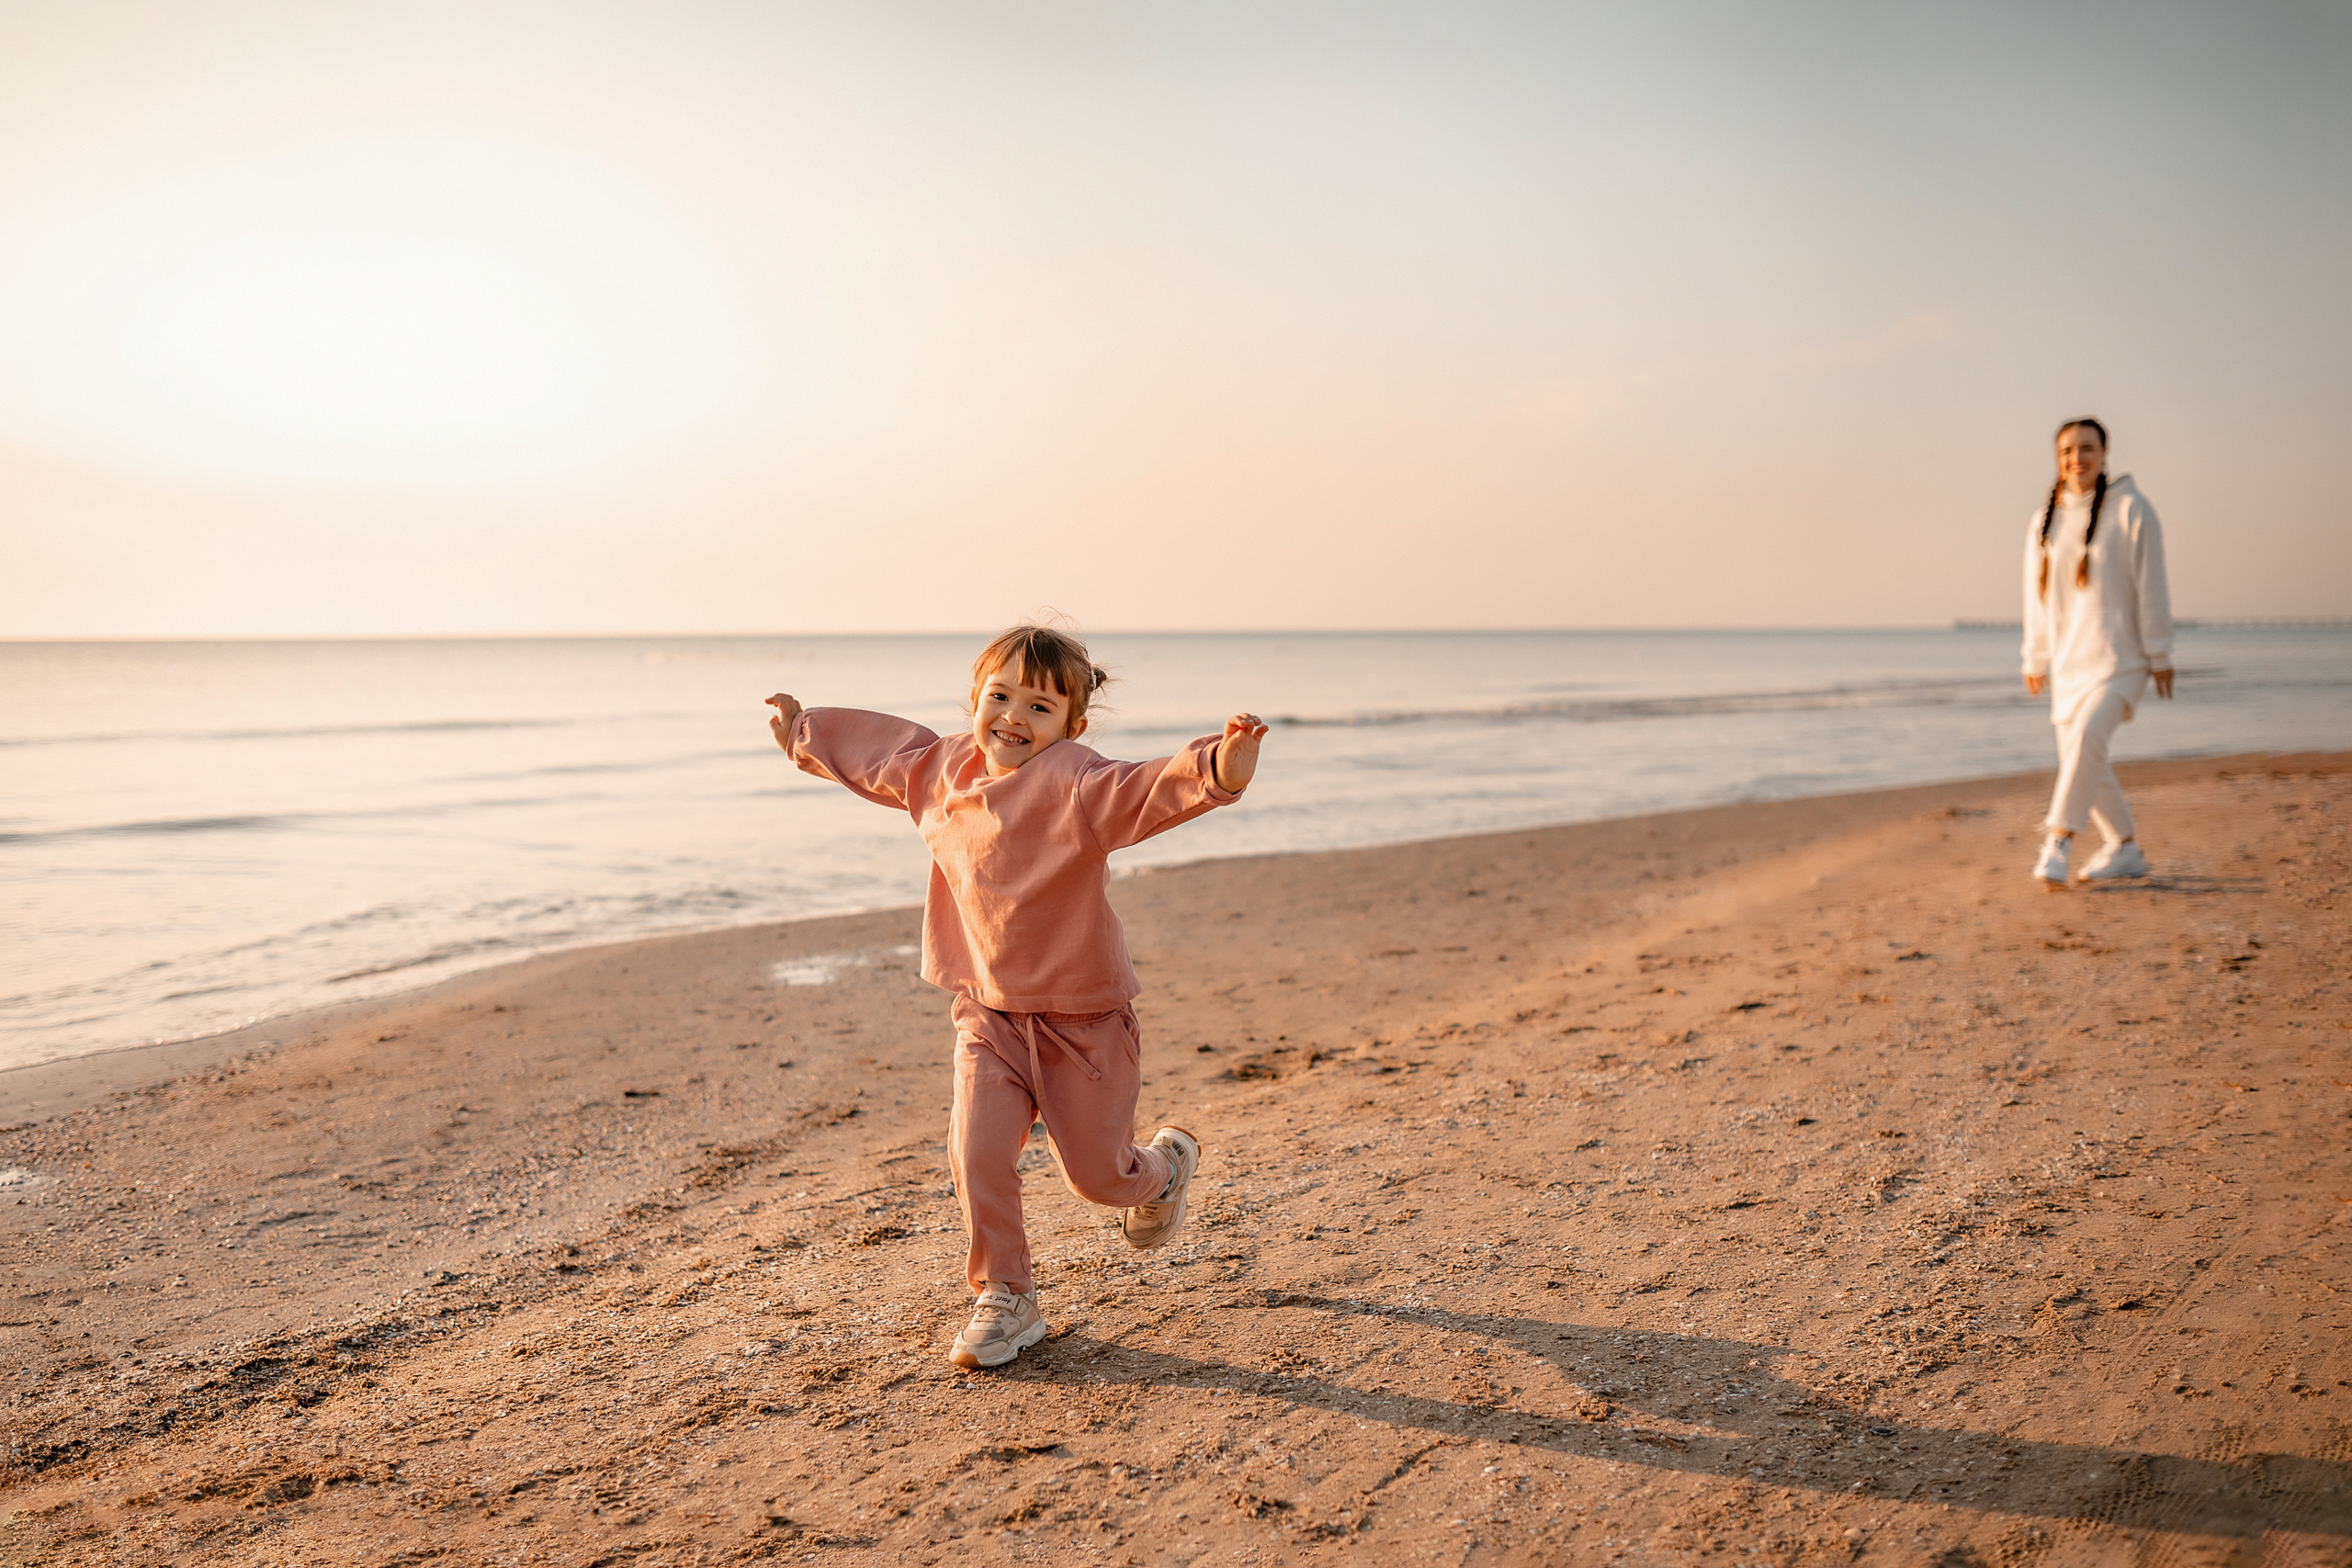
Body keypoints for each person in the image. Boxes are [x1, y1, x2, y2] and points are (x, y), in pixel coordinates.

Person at [765, 624, 1267, 1369]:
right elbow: (878, 756)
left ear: (1073, 726)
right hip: (987, 1014)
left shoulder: (1078, 784)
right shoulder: (939, 770)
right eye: (1000, 696)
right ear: (975, 699)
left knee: (1100, 1178)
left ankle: (1164, 1169)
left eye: (1039, 706)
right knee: (977, 1153)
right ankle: (1006, 1295)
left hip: (1083, 1022)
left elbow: (1147, 790)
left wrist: (1219, 766)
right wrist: (802, 734)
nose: (1013, 716)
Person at [2020, 417, 2174, 886]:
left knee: (2087, 740)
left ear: (2104, 453)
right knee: (2085, 760)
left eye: (2086, 448)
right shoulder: (2045, 521)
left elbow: (2152, 587)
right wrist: (2035, 657)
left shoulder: (2133, 509)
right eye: (2067, 451)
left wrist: (2160, 655)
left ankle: (2058, 842)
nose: (2077, 458)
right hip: (2068, 664)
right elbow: (2035, 597)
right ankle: (2125, 848)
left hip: (2121, 661)